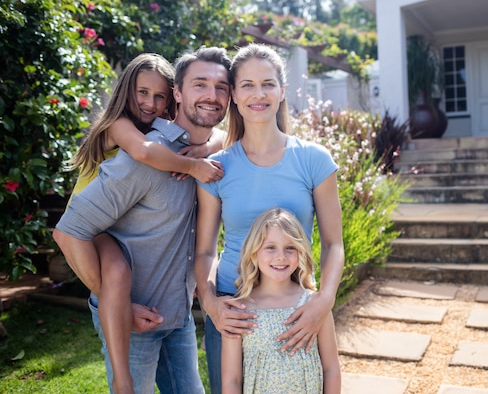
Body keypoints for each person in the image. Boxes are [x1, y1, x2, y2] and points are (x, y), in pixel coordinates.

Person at [53, 46, 232, 394]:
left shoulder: (215, 155)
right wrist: (118, 305)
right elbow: (68, 232)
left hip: (177, 314)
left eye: (221, 87)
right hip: (133, 320)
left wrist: (206, 151)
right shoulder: (144, 157)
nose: (212, 95)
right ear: (178, 94)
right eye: (200, 85)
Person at [194, 43, 345, 394]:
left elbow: (334, 243)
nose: (258, 94)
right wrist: (211, 303)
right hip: (234, 307)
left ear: (282, 91)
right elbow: (204, 252)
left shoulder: (314, 160)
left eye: (267, 84)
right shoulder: (218, 167)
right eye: (247, 85)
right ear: (233, 94)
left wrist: (323, 300)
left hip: (296, 305)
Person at [221, 207, 341, 394]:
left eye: (290, 248)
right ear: (253, 252)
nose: (280, 256)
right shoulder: (239, 310)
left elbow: (331, 369)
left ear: (300, 251)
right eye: (270, 247)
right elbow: (231, 380)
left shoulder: (314, 305)